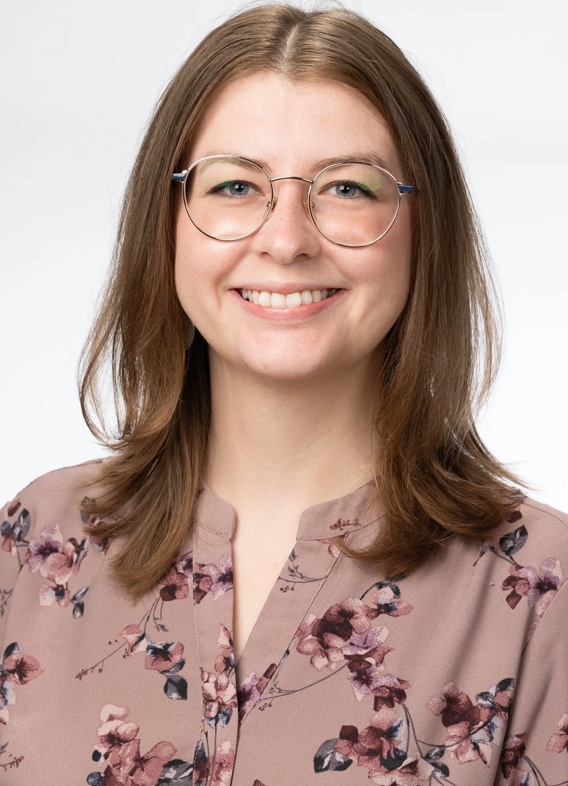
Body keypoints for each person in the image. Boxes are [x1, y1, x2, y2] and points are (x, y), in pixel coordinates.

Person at [0, 4, 566, 785]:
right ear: (166, 224)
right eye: (235, 185)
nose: (287, 238)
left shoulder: (543, 594)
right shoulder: (32, 548)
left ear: (422, 231)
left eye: (346, 187)